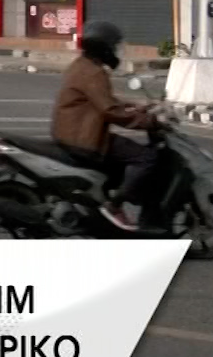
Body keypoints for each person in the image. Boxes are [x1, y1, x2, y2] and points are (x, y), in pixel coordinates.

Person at [51, 20, 158, 230]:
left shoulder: (82, 65)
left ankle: (106, 201)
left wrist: (136, 106)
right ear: (103, 47)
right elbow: (109, 111)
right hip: (84, 138)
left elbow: (104, 101)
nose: (117, 51)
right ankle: (114, 205)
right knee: (147, 157)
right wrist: (148, 121)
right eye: (114, 46)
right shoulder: (94, 73)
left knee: (122, 157)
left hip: (71, 134)